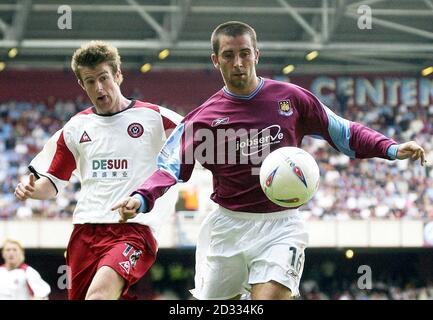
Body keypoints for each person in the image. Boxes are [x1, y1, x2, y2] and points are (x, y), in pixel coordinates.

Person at [112, 21, 427, 300]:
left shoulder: (291, 99)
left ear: (256, 55)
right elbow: (168, 167)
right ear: (215, 60)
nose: (238, 63)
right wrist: (141, 197)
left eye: (245, 53)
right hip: (228, 228)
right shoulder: (203, 119)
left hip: (282, 225)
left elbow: (342, 132)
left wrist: (390, 148)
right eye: (229, 55)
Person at [14, 41, 182, 300]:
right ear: (82, 85)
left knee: (99, 296)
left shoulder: (155, 117)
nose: (99, 87)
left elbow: (198, 143)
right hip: (85, 231)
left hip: (133, 229)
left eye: (104, 78)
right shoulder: (75, 127)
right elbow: (52, 183)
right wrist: (32, 190)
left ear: (118, 75)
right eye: (90, 81)